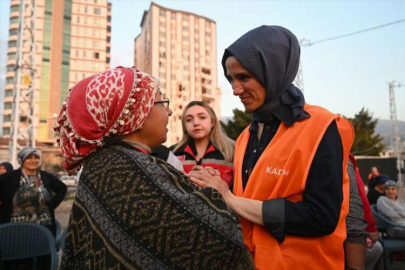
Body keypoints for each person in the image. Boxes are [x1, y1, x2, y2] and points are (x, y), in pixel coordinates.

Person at [188, 25, 354, 269]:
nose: (235, 90)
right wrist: (220, 186)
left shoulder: (322, 126)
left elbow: (322, 217)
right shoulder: (246, 135)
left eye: (244, 77)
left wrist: (230, 198)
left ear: (273, 71)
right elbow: (251, 197)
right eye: (231, 79)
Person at [55, 67, 254, 269]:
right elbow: (219, 240)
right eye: (161, 102)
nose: (169, 111)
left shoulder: (103, 162)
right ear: (136, 113)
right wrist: (217, 193)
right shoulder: (131, 169)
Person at [0, 147, 67, 236]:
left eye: (36, 157)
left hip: (43, 227)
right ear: (21, 160)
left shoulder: (46, 177)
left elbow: (62, 188)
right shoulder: (9, 177)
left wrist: (52, 204)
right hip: (16, 227)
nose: (33, 160)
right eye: (29, 158)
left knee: (42, 249)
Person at [171, 101, 235, 186]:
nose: (196, 123)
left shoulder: (233, 150)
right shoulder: (172, 153)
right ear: (184, 126)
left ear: (212, 122)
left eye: (202, 117)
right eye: (189, 120)